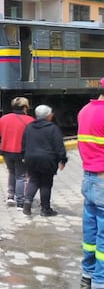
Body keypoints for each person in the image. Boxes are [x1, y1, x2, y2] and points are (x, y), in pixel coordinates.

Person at [78, 78, 104, 288]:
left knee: (90, 228)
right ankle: (100, 280)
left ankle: (87, 273)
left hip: (88, 177)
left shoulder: (85, 110)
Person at [21, 104, 67, 216]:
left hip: (31, 158)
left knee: (33, 180)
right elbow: (59, 146)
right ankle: (45, 209)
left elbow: (23, 143)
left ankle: (27, 202)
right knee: (46, 183)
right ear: (48, 116)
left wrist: (23, 156)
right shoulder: (53, 128)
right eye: (51, 114)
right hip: (48, 160)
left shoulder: (29, 127)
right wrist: (62, 160)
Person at [0, 97, 33, 208]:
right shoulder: (30, 121)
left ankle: (10, 196)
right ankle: (20, 202)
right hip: (22, 153)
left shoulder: (4, 119)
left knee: (12, 172)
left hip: (6, 152)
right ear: (25, 107)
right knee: (21, 177)